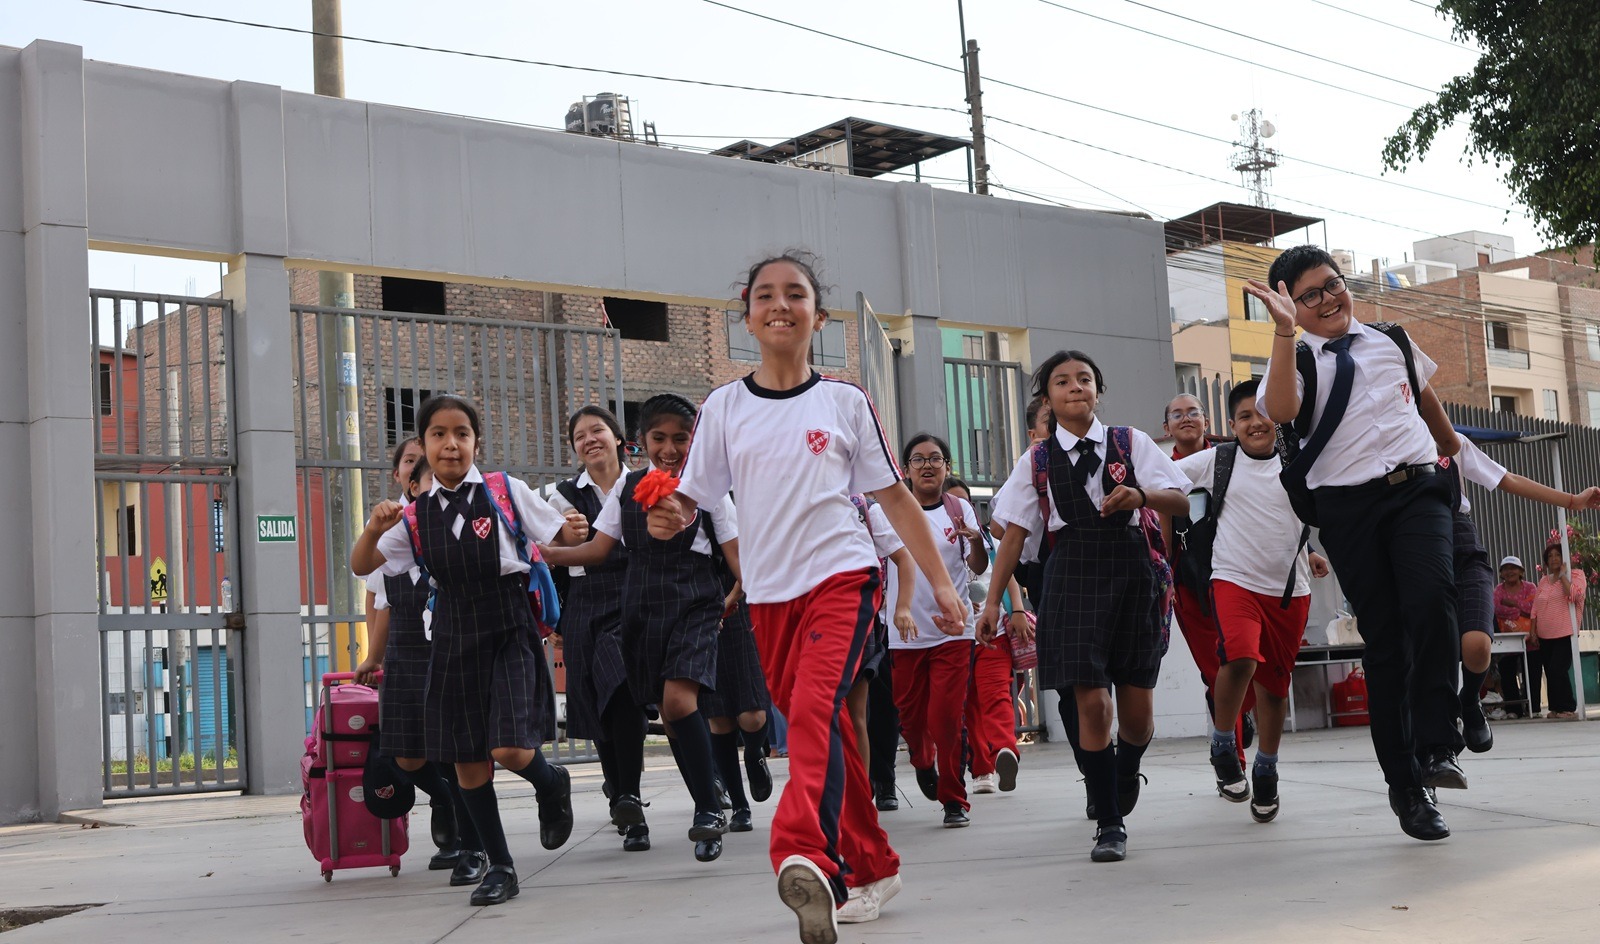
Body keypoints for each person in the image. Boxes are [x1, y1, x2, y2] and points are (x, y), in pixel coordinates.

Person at [649, 253, 967, 941]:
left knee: (816, 710)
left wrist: (940, 584)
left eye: (795, 294)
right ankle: (874, 865)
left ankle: (804, 854)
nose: (780, 305)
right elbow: (692, 497)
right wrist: (669, 515)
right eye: (765, 295)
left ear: (818, 318)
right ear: (747, 315)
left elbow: (894, 497)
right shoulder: (724, 408)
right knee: (825, 728)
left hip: (842, 577)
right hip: (769, 598)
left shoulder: (845, 402)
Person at [1252, 245, 1464, 842]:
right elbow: (1282, 409)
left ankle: (1438, 744)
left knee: (1433, 599)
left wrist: (1452, 453)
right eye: (1309, 295)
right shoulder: (1295, 358)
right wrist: (1285, 333)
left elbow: (1427, 404)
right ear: (1291, 306)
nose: (1327, 300)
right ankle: (1407, 787)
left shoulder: (1391, 339)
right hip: (1349, 509)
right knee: (1388, 643)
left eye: (1333, 284)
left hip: (1417, 488)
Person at [350, 394, 587, 906]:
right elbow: (362, 565)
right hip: (452, 632)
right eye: (438, 434)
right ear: (424, 445)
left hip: (508, 626)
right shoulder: (412, 517)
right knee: (467, 763)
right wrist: (372, 528)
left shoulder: (506, 490)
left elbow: (558, 539)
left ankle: (551, 782)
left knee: (509, 749)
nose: (451, 444)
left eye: (461, 433)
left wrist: (573, 530)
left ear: (477, 442)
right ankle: (500, 866)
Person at [980, 349, 1190, 863]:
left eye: (1084, 379)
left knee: (1137, 719)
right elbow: (1012, 536)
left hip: (1132, 575)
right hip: (1070, 576)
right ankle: (1109, 822)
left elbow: (1182, 500)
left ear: (1097, 389)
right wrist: (991, 604)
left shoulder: (1130, 442)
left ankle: (1124, 770)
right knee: (1092, 704)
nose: (1075, 387)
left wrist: (1140, 497)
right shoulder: (1036, 461)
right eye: (1062, 381)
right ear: (1047, 397)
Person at [539, 394, 743, 863]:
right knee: (670, 716)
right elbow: (597, 550)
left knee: (679, 701)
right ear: (641, 441)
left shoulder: (711, 491)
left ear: (695, 440)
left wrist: (733, 597)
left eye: (681, 438)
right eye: (659, 438)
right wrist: (544, 554)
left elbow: (737, 561)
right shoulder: (626, 489)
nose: (669, 449)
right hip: (642, 612)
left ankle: (708, 809)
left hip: (695, 606)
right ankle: (707, 801)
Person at [1173, 381, 1329, 823]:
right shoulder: (1217, 460)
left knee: (1274, 691)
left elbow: (1296, 516)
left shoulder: (1299, 459)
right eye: (1244, 416)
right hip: (1233, 580)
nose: (1255, 423)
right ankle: (1224, 743)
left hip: (1290, 592)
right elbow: (1157, 476)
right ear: (1231, 425)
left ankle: (1267, 768)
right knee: (1239, 658)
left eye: (1262, 414)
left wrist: (1311, 552)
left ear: (1276, 419)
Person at [355, 456, 479, 878]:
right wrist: (374, 657)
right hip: (405, 651)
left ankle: (467, 838)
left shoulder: (458, 530)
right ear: (409, 486)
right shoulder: (390, 537)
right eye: (420, 473)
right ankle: (444, 800)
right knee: (406, 755)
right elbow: (380, 603)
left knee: (453, 748)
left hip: (449, 648)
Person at [1438, 438, 1600, 746]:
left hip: (1460, 541)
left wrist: (1572, 501)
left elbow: (1507, 478)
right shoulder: (1385, 440)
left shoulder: (1451, 440)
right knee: (1432, 648)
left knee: (1477, 646)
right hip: (1415, 545)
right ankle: (1438, 739)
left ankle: (1468, 699)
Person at [545, 405, 652, 852]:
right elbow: (544, 551)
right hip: (586, 602)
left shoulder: (645, 484)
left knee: (623, 686)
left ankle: (629, 799)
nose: (589, 439)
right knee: (601, 703)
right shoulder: (559, 495)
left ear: (618, 437)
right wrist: (563, 537)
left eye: (598, 430)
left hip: (637, 595)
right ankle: (622, 797)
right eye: (580, 436)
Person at [881, 435, 988, 828]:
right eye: (918, 459)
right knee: (911, 721)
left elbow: (978, 566)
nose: (927, 466)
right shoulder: (886, 512)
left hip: (953, 632)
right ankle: (923, 761)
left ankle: (954, 800)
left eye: (935, 459)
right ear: (905, 469)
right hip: (905, 634)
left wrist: (976, 542)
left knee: (946, 719)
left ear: (947, 466)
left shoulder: (960, 509)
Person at [1163, 394, 1254, 772]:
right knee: (1217, 670)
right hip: (1190, 583)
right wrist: (1166, 579)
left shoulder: (1232, 458)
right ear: (1167, 427)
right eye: (1177, 414)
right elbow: (1161, 529)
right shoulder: (1163, 471)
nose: (1186, 418)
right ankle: (1232, 760)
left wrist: (1307, 552)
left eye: (1193, 412)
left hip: (1242, 574)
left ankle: (1237, 709)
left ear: (1207, 421)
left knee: (1245, 664)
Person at [945, 477, 1031, 796]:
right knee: (968, 704)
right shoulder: (930, 538)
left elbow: (1007, 575)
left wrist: (1017, 610)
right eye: (950, 504)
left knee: (996, 695)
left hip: (992, 631)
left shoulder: (988, 539)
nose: (957, 511)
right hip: (953, 636)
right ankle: (982, 769)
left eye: (963, 503)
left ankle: (1005, 750)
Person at [844, 494, 916, 813]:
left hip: (869, 620)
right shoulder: (800, 499)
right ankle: (837, 792)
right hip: (815, 620)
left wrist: (902, 607)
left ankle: (875, 786)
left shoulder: (866, 509)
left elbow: (905, 557)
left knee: (871, 710)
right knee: (825, 713)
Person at [1531, 542, 1586, 718]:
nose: (1554, 558)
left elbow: (1575, 595)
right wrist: (1533, 630)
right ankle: (1555, 707)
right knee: (1549, 671)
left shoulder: (1576, 575)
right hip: (1544, 633)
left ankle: (1568, 707)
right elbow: (1535, 607)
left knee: (1558, 669)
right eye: (1550, 556)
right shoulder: (1543, 580)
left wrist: (1563, 576)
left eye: (1557, 555)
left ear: (1564, 557)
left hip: (1565, 632)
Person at [1493, 556, 1537, 716]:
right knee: (1507, 674)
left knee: (1532, 673)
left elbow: (1534, 608)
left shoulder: (1530, 587)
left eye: (1513, 568)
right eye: (1505, 569)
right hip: (1506, 640)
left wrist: (1512, 604)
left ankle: (1534, 708)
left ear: (1521, 571)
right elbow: (1497, 609)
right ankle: (1514, 710)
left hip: (1530, 638)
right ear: (1501, 573)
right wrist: (1520, 611)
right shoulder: (1498, 590)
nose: (1509, 572)